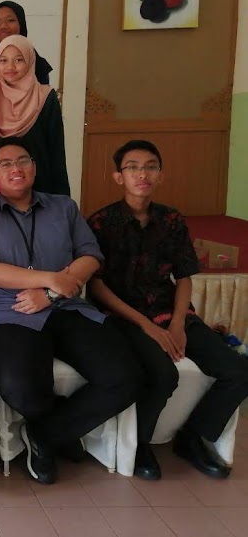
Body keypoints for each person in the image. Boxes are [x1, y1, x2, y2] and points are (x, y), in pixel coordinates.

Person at [0, 137, 139, 485]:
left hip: (68, 307)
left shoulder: (64, 207)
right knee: (20, 388)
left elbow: (91, 256)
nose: (16, 169)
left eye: (23, 161)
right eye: (6, 164)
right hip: (10, 311)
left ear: (34, 166)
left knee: (126, 377)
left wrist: (51, 293)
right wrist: (49, 279)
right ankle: (63, 430)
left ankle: (45, 434)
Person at [87, 140, 248, 480]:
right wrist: (147, 327)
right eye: (133, 167)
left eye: (150, 167)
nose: (142, 174)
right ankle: (140, 443)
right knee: (162, 375)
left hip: (170, 311)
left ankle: (192, 437)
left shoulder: (171, 219)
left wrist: (176, 324)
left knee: (238, 370)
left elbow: (184, 275)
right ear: (118, 177)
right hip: (123, 316)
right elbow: (97, 286)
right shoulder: (101, 222)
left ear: (160, 175)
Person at [0, 34, 69, 196]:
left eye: (18, 60)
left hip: (41, 186)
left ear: (30, 60)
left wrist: (62, 200)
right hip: (0, 190)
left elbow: (56, 152)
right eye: (3, 60)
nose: (10, 67)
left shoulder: (45, 97)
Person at [0, 0, 53, 98]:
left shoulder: (35, 63)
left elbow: (44, 101)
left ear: (21, 24)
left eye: (10, 20)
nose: (3, 26)